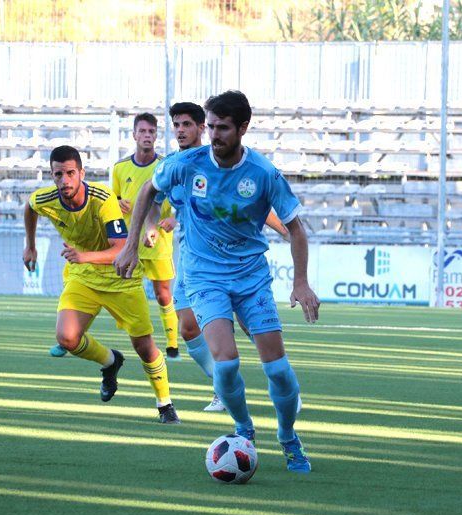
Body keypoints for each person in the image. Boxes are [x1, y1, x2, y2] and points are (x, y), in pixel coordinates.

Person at [116, 90, 319, 472]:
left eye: (222, 128)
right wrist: (130, 245)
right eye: (210, 126)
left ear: (243, 127)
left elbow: (295, 228)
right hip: (205, 277)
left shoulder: (262, 173)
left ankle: (289, 437)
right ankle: (243, 428)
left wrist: (301, 282)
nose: (214, 135)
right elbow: (148, 190)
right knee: (225, 364)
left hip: (251, 278)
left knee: (278, 370)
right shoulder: (186, 163)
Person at [142, 101, 290, 412]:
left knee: (248, 322)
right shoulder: (176, 166)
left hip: (235, 261)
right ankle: (223, 387)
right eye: (176, 125)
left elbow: (247, 207)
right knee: (188, 328)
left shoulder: (218, 163)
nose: (180, 131)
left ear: (200, 128)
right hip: (194, 259)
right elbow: (153, 199)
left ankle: (279, 376)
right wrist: (153, 224)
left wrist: (284, 229)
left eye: (187, 125)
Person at [24, 145, 179, 424]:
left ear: (81, 173)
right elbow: (30, 207)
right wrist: (30, 246)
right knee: (67, 338)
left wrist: (84, 256)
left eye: (71, 173)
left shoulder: (103, 198)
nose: (65, 180)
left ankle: (164, 403)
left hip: (120, 276)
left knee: (144, 346)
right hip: (83, 276)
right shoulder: (46, 198)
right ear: (52, 175)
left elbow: (120, 249)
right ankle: (110, 362)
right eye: (58, 174)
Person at [49, 113, 179, 360]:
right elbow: (113, 198)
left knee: (163, 293)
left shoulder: (165, 167)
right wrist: (119, 203)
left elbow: (176, 197)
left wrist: (173, 217)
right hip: (127, 242)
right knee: (98, 288)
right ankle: (70, 337)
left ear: (156, 136)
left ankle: (172, 345)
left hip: (157, 239)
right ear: (134, 135)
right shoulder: (120, 167)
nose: (147, 136)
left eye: (152, 132)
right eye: (142, 131)